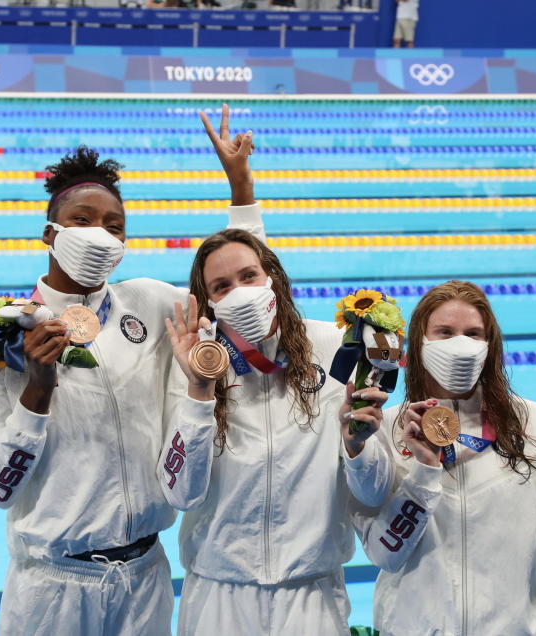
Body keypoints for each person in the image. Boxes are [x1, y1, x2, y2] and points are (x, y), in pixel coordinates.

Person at [0, 105, 259, 635]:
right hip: (51, 588)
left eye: (114, 226)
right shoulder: (1, 334)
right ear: (49, 233)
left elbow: (243, 295)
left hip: (146, 578)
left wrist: (241, 193)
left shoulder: (150, 302)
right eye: (82, 221)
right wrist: (37, 391)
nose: (100, 234)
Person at [155, 112, 393, 635]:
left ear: (273, 280)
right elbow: (180, 495)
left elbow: (375, 491)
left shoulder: (334, 351)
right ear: (209, 303)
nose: (239, 291)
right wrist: (197, 392)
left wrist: (359, 445)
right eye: (221, 288)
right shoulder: (198, 366)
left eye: (249, 278)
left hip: (312, 592)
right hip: (218, 593)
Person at [352, 281, 536, 636]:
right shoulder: (385, 429)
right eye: (444, 332)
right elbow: (385, 553)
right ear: (419, 343)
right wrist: (425, 470)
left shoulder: (534, 423)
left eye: (473, 334)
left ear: (489, 345)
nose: (460, 345)